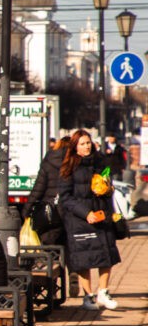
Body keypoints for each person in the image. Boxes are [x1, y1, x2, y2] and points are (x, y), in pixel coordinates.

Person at [58, 130, 122, 311]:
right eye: (83, 144)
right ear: (75, 147)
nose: (87, 146)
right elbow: (66, 198)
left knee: (106, 255)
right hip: (80, 219)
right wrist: (85, 213)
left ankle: (103, 291)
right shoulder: (68, 168)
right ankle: (88, 296)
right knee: (84, 258)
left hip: (102, 215)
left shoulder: (100, 162)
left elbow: (109, 182)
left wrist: (106, 188)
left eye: (88, 143)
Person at [26, 135, 69, 246]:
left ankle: (50, 260)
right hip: (69, 210)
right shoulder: (74, 162)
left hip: (50, 210)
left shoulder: (48, 161)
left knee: (49, 242)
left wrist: (27, 209)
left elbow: (38, 189)